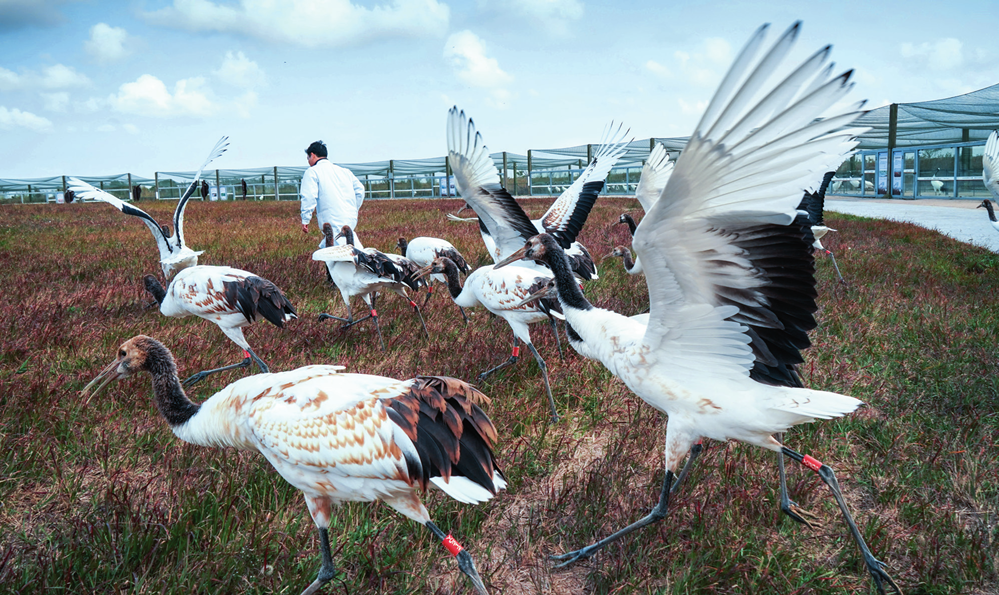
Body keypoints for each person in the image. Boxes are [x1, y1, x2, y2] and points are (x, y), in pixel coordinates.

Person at [300, 140, 365, 247]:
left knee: (335, 251)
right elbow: (360, 190)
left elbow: (309, 196)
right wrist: (353, 208)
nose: (308, 161)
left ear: (312, 155)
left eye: (308, 158)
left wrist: (305, 218)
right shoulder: (345, 171)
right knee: (351, 247)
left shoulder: (313, 171)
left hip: (331, 218)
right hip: (350, 218)